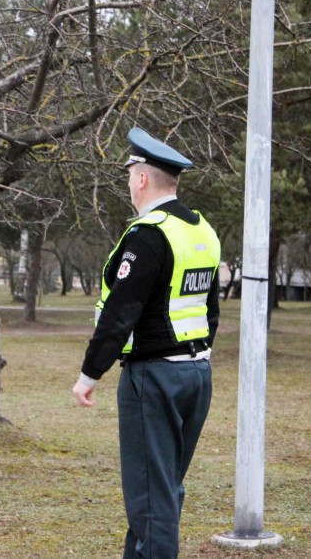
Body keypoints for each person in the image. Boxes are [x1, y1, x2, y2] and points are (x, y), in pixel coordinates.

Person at [72, 127, 221, 559]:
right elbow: (210, 311)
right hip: (195, 373)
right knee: (163, 491)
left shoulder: (148, 235)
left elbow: (121, 312)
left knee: (151, 501)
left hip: (153, 378)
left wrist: (89, 374)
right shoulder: (201, 231)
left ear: (141, 178)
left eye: (129, 174)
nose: (128, 183)